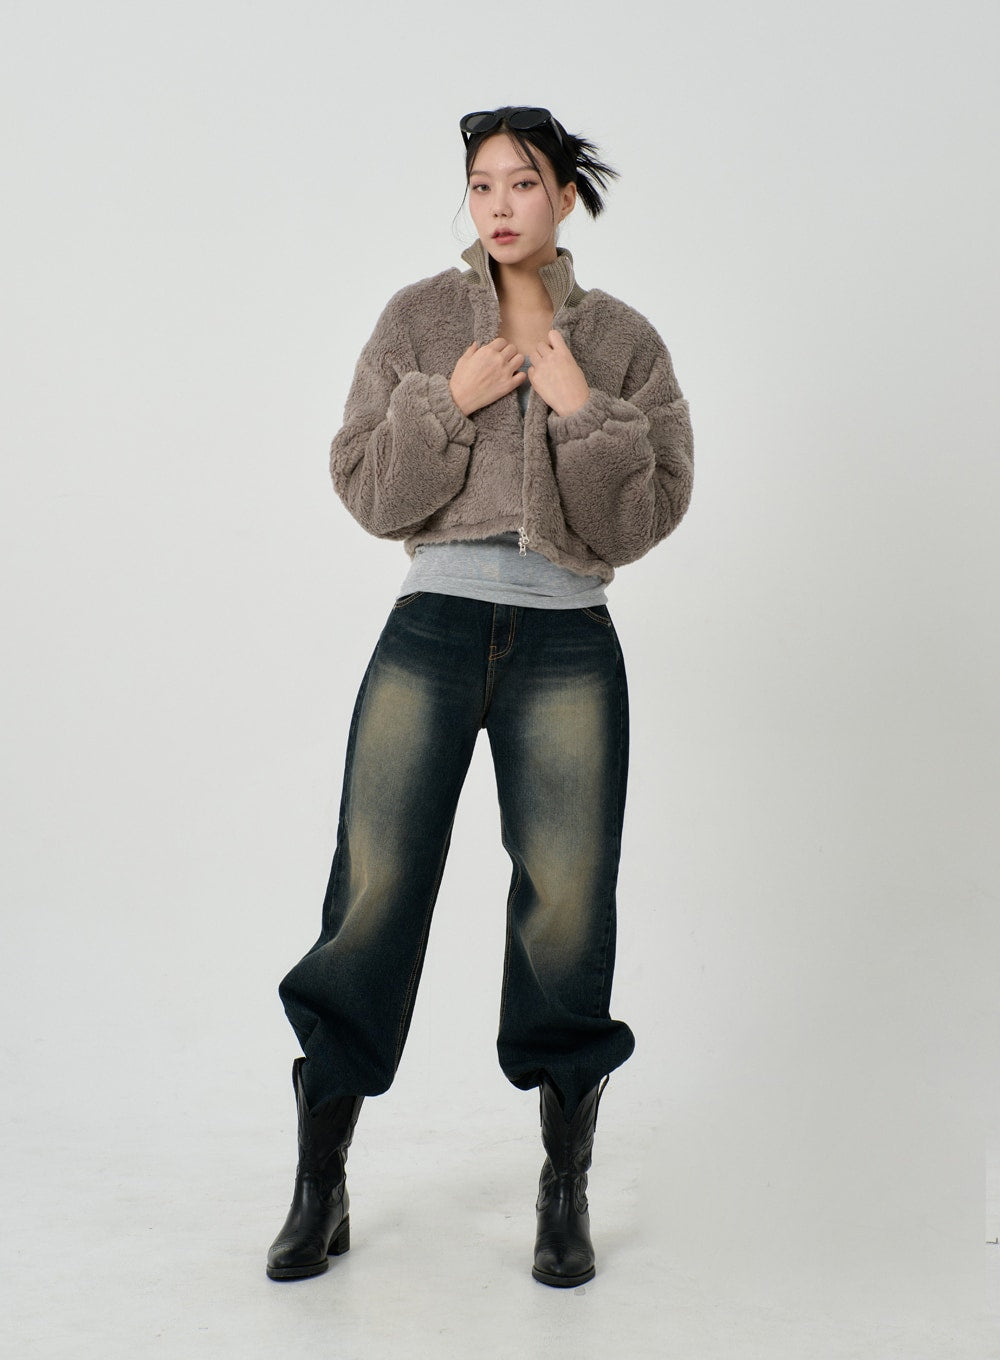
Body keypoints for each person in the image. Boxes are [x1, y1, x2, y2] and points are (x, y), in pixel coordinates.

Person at [266, 106, 694, 1288]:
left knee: (566, 903)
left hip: (568, 642)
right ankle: (319, 1179)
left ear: (566, 196)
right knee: (374, 886)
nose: (499, 204)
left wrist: (582, 410)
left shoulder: (624, 343)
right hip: (432, 628)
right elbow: (366, 488)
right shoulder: (416, 320)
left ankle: (563, 1187)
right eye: (481, 183)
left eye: (523, 181)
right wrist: (442, 402)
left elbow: (647, 515)